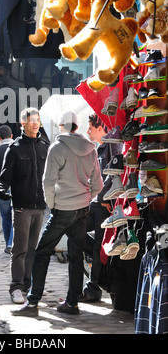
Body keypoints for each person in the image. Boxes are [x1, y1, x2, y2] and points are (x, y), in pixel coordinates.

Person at [12, 109, 103, 317]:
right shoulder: (91, 149)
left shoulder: (57, 148)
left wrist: (52, 205)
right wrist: (85, 199)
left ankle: (33, 302)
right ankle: (72, 303)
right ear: (77, 127)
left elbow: (48, 181)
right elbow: (97, 184)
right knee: (76, 255)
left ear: (61, 127)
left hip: (62, 209)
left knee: (42, 252)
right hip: (81, 210)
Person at [0, 107, 49, 304]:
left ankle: (28, 285)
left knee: (33, 249)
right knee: (20, 249)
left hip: (40, 207)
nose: (34, 123)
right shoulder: (15, 148)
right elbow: (4, 178)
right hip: (21, 207)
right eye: (30, 120)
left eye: (37, 119)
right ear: (22, 124)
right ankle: (16, 287)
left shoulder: (45, 146)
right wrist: (0, 190)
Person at [79, 113, 123, 303]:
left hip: (104, 204)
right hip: (97, 202)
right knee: (77, 233)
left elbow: (115, 174)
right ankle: (98, 279)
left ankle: (94, 285)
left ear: (100, 127)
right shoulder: (101, 148)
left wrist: (103, 196)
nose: (87, 131)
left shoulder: (112, 145)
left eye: (90, 127)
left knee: (98, 246)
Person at [0, 125, 14, 253]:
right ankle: (11, 243)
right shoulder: (18, 148)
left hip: (3, 189)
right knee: (15, 217)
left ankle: (8, 243)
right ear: (11, 136)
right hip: (17, 189)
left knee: (6, 218)